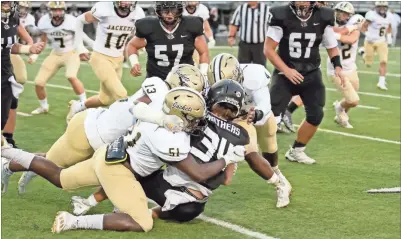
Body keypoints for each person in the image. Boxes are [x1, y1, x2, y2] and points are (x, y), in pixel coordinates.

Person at [2, 87, 244, 233]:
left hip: (109, 154)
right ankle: (74, 222)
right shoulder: (171, 140)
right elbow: (199, 174)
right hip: (118, 169)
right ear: (180, 118)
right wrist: (226, 159)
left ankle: (6, 155)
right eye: (193, 118)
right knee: (141, 222)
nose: (198, 122)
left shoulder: (159, 113)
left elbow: (138, 110)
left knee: (60, 177)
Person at [17, 64, 205, 194]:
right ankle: (11, 163)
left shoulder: (168, 100)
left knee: (63, 165)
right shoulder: (159, 86)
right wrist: (163, 120)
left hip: (102, 135)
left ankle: (28, 165)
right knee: (55, 168)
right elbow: (138, 108)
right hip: (90, 130)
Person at [264, 1, 345, 164]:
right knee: (270, 115)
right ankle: (255, 150)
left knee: (316, 114)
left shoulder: (324, 15)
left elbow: (331, 45)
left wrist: (338, 66)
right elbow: (268, 49)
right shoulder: (281, 14)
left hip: (311, 72)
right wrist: (286, 70)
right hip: (285, 72)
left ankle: (296, 151)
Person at [207, 53, 292, 207]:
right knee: (250, 153)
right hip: (237, 119)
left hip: (256, 113)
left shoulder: (253, 75)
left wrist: (258, 113)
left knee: (270, 146)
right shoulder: (208, 83)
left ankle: (277, 173)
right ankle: (281, 185)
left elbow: (265, 103)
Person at [67, 1, 145, 122]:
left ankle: (78, 107)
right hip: (100, 57)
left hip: (118, 59)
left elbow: (137, 39)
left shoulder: (138, 13)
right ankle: (131, 128)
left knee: (104, 100)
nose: (125, 2)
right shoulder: (104, 8)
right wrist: (79, 46)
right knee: (121, 94)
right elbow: (79, 20)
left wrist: (134, 61)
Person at [31, 1, 92, 115]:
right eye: (55, 10)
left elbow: (81, 35)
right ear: (50, 11)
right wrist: (35, 55)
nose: (58, 13)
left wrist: (84, 48)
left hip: (71, 53)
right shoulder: (44, 21)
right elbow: (43, 40)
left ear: (64, 10)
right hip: (55, 54)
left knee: (71, 76)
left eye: (60, 10)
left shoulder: (71, 21)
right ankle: (44, 107)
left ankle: (84, 104)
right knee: (39, 82)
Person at [127, 1, 210, 80]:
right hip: (156, 78)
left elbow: (203, 52)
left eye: (173, 10)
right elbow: (132, 45)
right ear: (159, 10)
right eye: (166, 10)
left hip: (185, 77)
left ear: (179, 10)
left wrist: (203, 74)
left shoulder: (192, 24)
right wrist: (134, 63)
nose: (170, 14)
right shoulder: (148, 26)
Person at [1, 1, 44, 146]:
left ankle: (7, 138)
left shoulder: (12, 16)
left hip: (5, 64)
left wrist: (29, 48)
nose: (6, 5)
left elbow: (9, 45)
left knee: (10, 99)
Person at [330, 2, 365, 129]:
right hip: (336, 69)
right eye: (339, 12)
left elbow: (350, 40)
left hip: (351, 68)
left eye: (345, 14)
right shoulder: (330, 25)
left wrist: (335, 35)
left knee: (351, 97)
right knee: (353, 100)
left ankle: (340, 114)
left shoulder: (353, 27)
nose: (341, 16)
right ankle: (339, 109)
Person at [361, 1, 392, 91]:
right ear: (376, 7)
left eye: (384, 6)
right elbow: (363, 26)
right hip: (370, 41)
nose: (382, 8)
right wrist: (367, 34)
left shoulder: (389, 16)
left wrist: (389, 37)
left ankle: (381, 82)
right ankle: (363, 54)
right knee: (368, 64)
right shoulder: (371, 15)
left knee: (383, 61)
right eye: (380, 6)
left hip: (382, 41)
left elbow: (389, 27)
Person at [229, 1, 270, 66]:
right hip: (244, 45)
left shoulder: (266, 9)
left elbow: (272, 25)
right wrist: (231, 36)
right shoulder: (241, 8)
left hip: (260, 45)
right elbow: (234, 24)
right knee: (242, 67)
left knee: (260, 68)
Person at [183, 1, 215, 66]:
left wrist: (211, 39)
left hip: (197, 38)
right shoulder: (179, 9)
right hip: (182, 38)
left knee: (203, 56)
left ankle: (203, 73)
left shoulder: (202, 9)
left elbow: (206, 27)